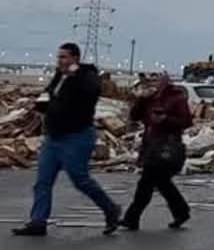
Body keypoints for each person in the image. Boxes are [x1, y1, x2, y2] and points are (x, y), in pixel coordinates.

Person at [12, 43, 122, 236]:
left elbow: (92, 91)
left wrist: (76, 73)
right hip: (54, 136)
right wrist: (38, 105)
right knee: (43, 181)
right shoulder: (59, 76)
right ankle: (38, 222)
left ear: (75, 58)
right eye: (59, 57)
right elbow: (53, 99)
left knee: (80, 180)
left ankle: (110, 209)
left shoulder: (87, 76)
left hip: (77, 136)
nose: (60, 61)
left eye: (64, 57)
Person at [119, 72, 193, 231]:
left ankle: (131, 218)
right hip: (151, 146)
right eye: (151, 80)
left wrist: (165, 119)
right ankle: (181, 212)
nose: (153, 83)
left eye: (156, 80)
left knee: (146, 184)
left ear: (166, 82)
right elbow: (134, 116)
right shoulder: (149, 99)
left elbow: (186, 121)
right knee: (162, 183)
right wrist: (142, 99)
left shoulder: (176, 98)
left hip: (166, 147)